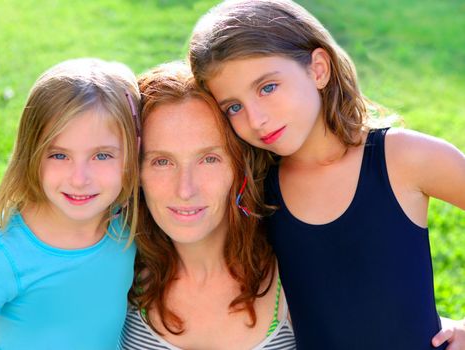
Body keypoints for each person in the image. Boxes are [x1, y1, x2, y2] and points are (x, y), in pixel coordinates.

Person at [188, 0, 465, 349]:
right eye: (234, 107)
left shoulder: (402, 158)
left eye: (267, 87)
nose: (256, 119)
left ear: (318, 69)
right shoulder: (258, 190)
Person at [0, 58, 140, 350]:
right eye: (59, 155)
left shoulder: (125, 217)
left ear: (134, 151)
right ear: (31, 154)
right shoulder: (3, 253)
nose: (80, 178)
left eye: (102, 155)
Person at [119, 61, 296, 349]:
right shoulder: (116, 276)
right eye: (162, 161)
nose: (185, 189)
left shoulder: (292, 276)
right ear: (135, 172)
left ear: (239, 166)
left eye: (209, 159)